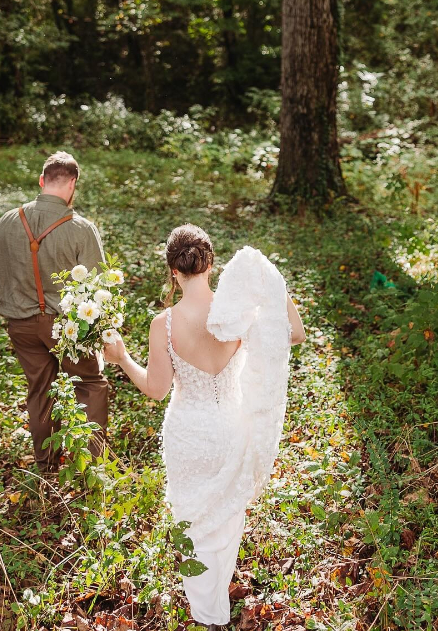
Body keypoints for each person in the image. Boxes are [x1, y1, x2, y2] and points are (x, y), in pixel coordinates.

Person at [103, 223, 306, 630]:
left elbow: (157, 390)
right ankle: (215, 607)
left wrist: (123, 358)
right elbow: (295, 334)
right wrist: (271, 285)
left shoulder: (163, 324)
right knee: (226, 520)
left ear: (173, 272)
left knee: (193, 523)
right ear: (210, 265)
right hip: (232, 427)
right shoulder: (238, 314)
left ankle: (207, 613)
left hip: (189, 434)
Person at [0, 150, 109, 468]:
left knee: (40, 392)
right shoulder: (81, 228)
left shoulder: (7, 221)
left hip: (21, 326)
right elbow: (100, 289)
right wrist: (105, 332)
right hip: (67, 329)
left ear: (42, 181)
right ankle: (92, 468)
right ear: (72, 184)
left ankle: (46, 468)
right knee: (90, 386)